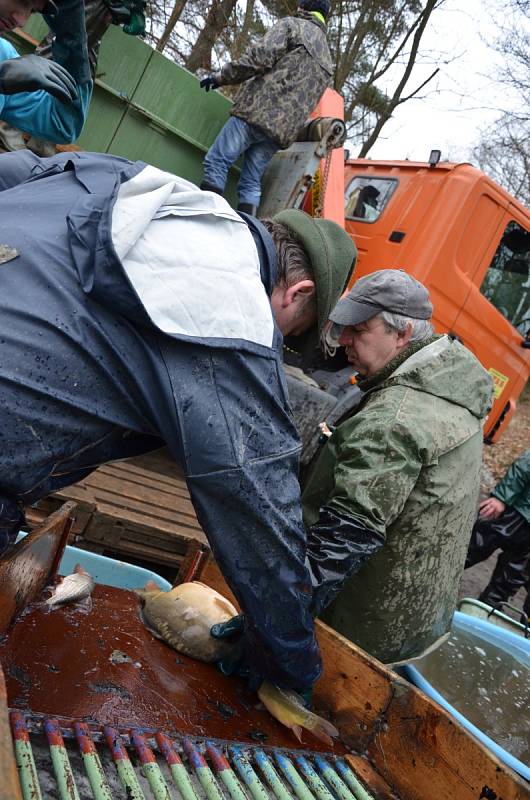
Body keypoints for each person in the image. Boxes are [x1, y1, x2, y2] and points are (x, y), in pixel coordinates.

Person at [0, 148, 356, 693]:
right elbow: (256, 510)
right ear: (298, 292)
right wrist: (291, 668)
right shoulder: (232, 311)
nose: (276, 346)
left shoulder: (143, 182)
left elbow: (17, 168)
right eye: (290, 333)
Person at [301, 269, 494, 665]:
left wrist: (275, 623)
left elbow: (338, 549)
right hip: (416, 628)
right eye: (343, 327)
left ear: (402, 333)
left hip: (357, 637)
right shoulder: (453, 387)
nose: (343, 340)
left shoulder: (394, 420)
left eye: (358, 329)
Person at [199, 0, 333, 215]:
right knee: (251, 182)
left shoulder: (292, 26)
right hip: (280, 132)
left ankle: (203, 217)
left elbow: (258, 59)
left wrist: (221, 77)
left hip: (255, 113)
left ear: (304, 7)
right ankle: (247, 232)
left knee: (217, 161)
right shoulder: (328, 60)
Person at [0, 0, 92, 144]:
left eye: (32, 11)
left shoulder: (3, 54)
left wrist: (73, 42)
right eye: (22, 1)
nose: (21, 20)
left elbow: (63, 126)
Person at [465, 450, 530, 618]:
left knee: (509, 579)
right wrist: (501, 498)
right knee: (472, 548)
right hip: (514, 511)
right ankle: (429, 576)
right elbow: (524, 466)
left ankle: (484, 614)